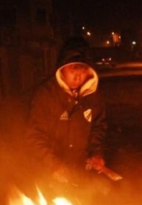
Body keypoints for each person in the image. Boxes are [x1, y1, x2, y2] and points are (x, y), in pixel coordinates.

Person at [25, 36, 108, 187]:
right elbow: (34, 135)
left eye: (82, 71)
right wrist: (53, 164)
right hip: (49, 174)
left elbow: (98, 128)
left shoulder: (93, 96)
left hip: (80, 173)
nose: (78, 77)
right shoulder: (45, 95)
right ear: (62, 68)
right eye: (72, 70)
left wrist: (96, 153)